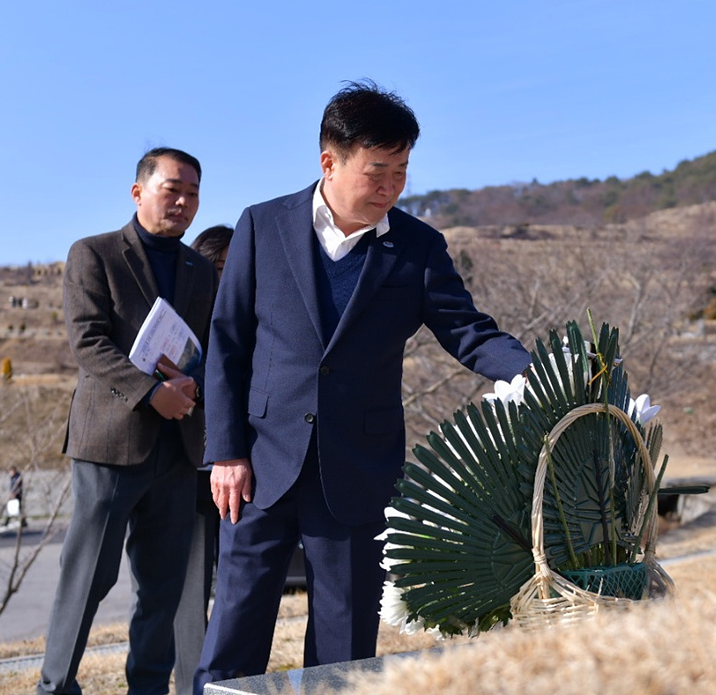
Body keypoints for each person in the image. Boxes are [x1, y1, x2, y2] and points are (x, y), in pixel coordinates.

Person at [194, 81, 530, 690]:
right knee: (232, 638)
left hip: (357, 471)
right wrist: (225, 451)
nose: (391, 187)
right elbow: (227, 344)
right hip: (258, 467)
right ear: (330, 161)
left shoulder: (418, 248)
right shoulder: (262, 225)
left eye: (401, 172)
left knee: (343, 650)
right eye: (378, 171)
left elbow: (469, 332)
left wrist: (536, 374)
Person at [37, 148, 217, 695]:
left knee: (162, 589)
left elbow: (211, 350)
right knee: (87, 579)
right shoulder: (93, 253)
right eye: (172, 190)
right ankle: (55, 687)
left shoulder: (200, 270)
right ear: (138, 192)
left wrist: (192, 386)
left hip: (179, 448)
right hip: (109, 446)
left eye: (192, 193)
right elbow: (88, 342)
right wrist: (150, 393)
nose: (183, 202)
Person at [172, 224, 233, 692]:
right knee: (189, 592)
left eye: (234, 267)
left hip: (240, 473)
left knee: (236, 589)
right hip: (187, 469)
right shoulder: (179, 322)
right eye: (218, 266)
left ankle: (227, 681)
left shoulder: (254, 322)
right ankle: (193, 684)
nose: (225, 277)